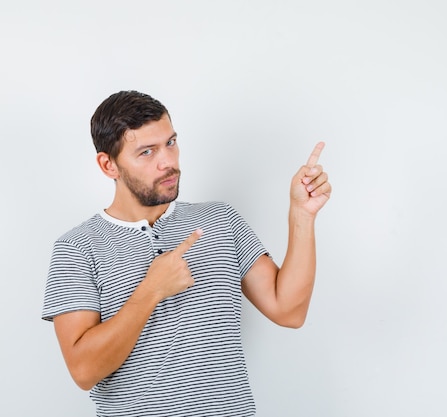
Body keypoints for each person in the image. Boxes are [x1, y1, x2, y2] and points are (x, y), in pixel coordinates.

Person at [42, 90, 332, 417]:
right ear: (108, 164)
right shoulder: (77, 248)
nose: (167, 162)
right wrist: (151, 291)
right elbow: (83, 370)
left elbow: (289, 311)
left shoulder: (220, 220)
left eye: (170, 143)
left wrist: (302, 215)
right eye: (147, 152)